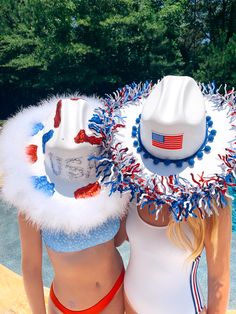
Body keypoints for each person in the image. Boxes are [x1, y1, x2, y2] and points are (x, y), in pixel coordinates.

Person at [89, 76, 235, 314]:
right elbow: (115, 240)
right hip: (130, 304)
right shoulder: (134, 187)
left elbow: (219, 282)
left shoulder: (214, 204)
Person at [0, 96, 129, 314]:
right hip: (68, 307)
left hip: (117, 291)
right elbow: (31, 268)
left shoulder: (113, 189)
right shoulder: (33, 204)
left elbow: (117, 241)